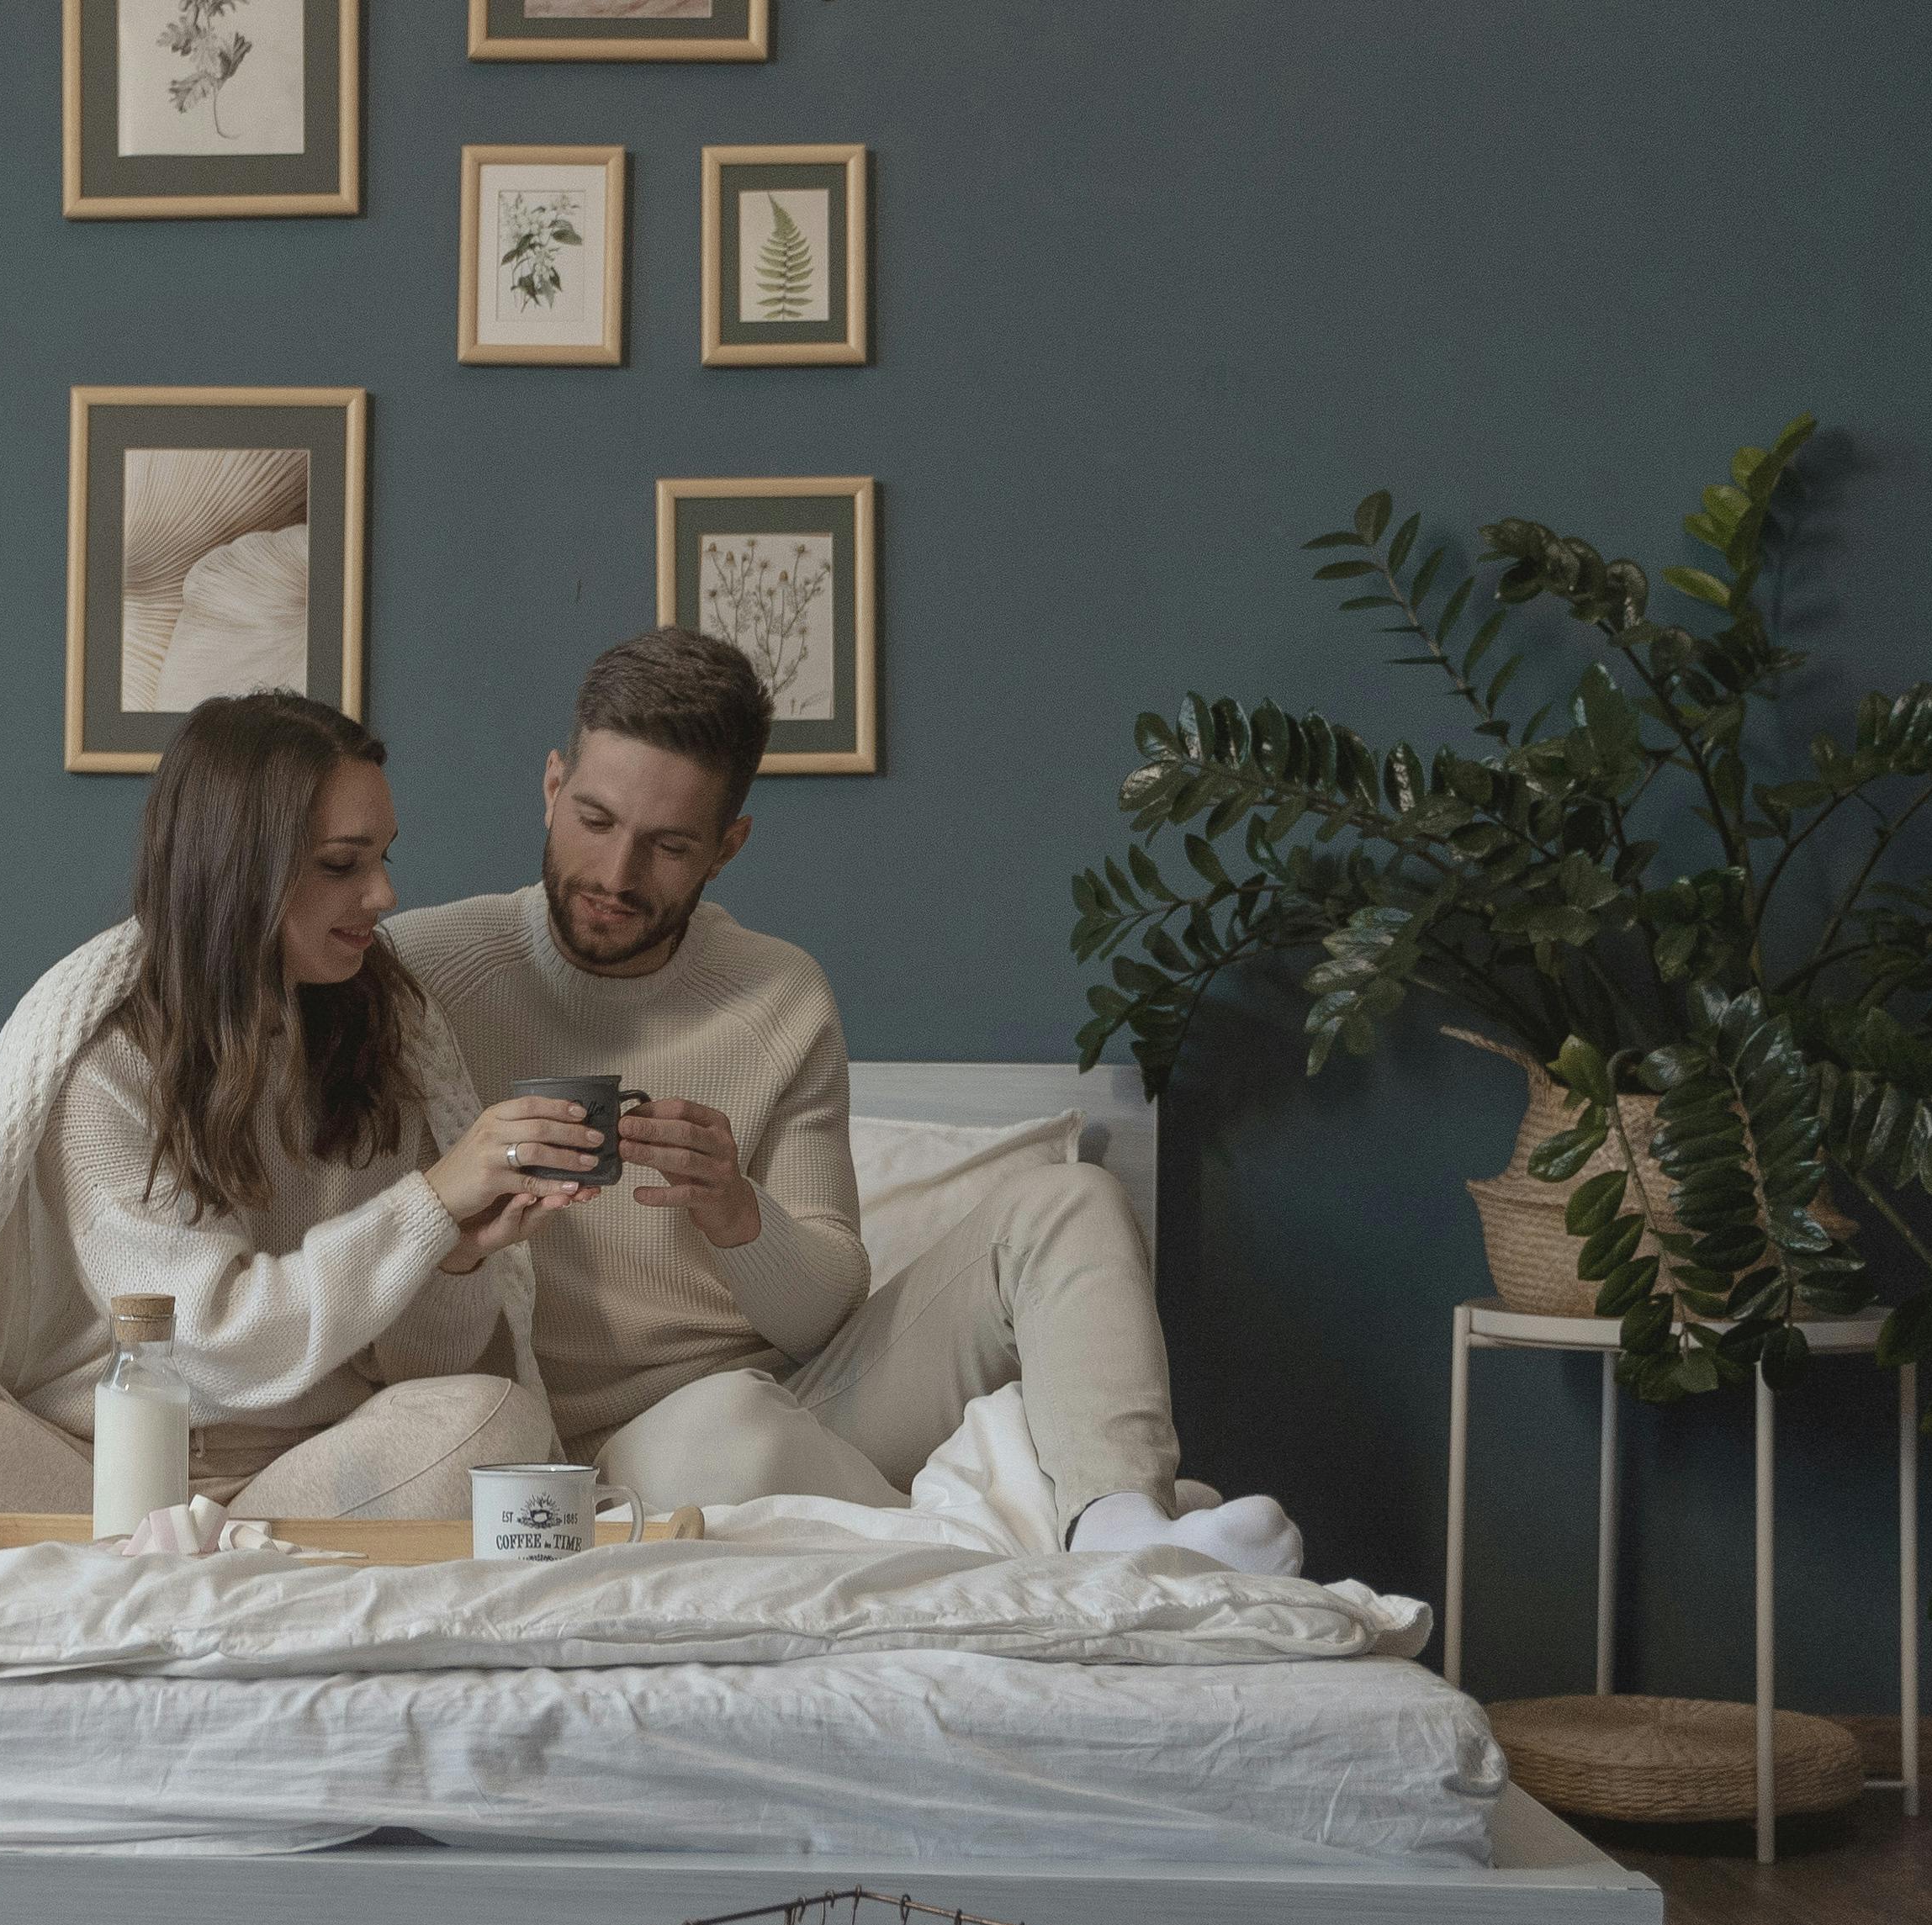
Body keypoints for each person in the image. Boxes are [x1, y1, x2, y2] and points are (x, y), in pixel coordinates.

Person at [382, 629, 1301, 1574]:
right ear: (549, 785)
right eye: (593, 818)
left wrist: (740, 1214)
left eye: (666, 845)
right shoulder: (420, 972)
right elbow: (352, 1249)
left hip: (802, 1402)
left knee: (1070, 1200)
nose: (616, 875)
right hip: (584, 1457)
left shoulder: (779, 995)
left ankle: (1117, 1522)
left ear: (726, 846)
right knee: (720, 1431)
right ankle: (1009, 1535)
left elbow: (821, 1314)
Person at [0, 691, 597, 1517]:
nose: (383, 895)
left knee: (494, 1413)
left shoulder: (383, 1033)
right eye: (342, 863)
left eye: (383, 857)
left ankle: (165, 1568)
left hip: (303, 1468)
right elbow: (211, 1338)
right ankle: (210, 1562)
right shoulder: (104, 1060)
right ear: (239, 868)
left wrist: (454, 1254)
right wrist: (429, 1201)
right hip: (94, 1467)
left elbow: (417, 1366)